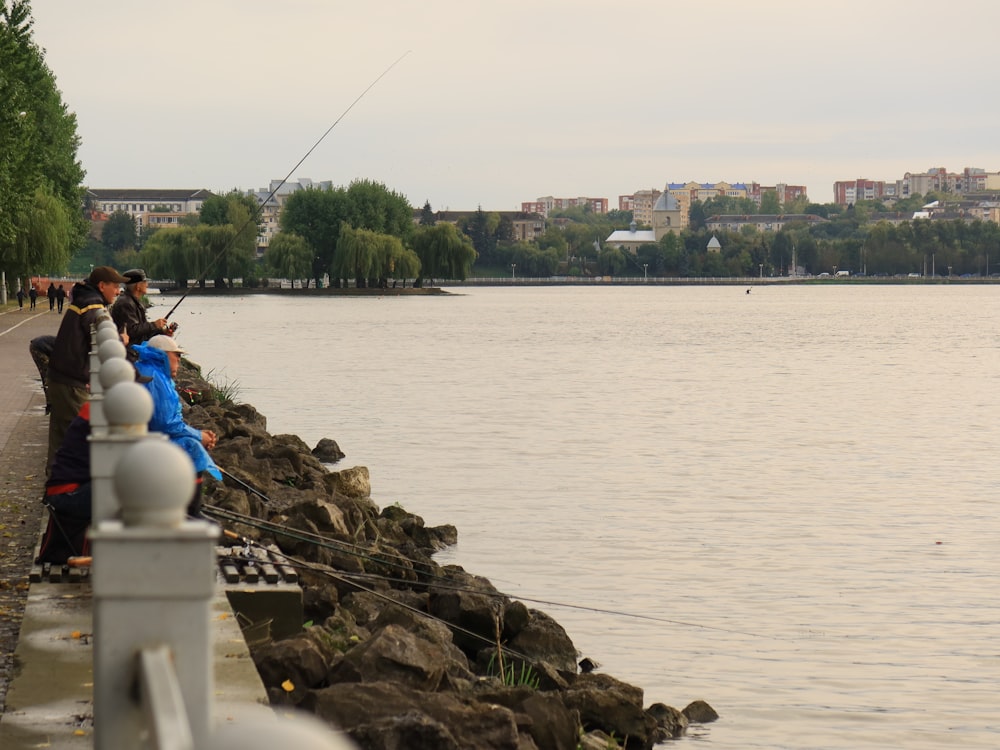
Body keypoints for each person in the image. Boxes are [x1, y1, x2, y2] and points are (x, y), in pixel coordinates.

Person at [46, 266, 129, 469]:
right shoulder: (93, 307)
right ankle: (71, 491)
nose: (118, 291)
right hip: (72, 384)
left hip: (61, 379)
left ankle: (55, 489)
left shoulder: (83, 301)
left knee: (61, 439)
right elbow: (105, 340)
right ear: (102, 286)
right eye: (115, 286)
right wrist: (121, 339)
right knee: (80, 438)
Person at [134, 335, 221, 518]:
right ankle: (191, 510)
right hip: (147, 443)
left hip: (145, 439)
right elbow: (164, 423)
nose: (179, 362)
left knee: (191, 441)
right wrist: (199, 436)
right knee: (192, 447)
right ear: (164, 355)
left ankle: (183, 504)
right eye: (177, 356)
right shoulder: (154, 378)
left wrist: (198, 434)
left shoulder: (154, 372)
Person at [111, 268, 170, 345]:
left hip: (137, 348)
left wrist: (161, 331)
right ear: (138, 286)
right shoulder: (125, 303)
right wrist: (154, 325)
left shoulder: (133, 301)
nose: (147, 285)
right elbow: (132, 331)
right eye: (145, 282)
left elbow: (142, 333)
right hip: (129, 351)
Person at [29, 335, 57, 414]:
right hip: (39, 348)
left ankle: (51, 402)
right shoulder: (67, 348)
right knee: (47, 376)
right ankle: (50, 404)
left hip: (40, 346)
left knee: (49, 376)